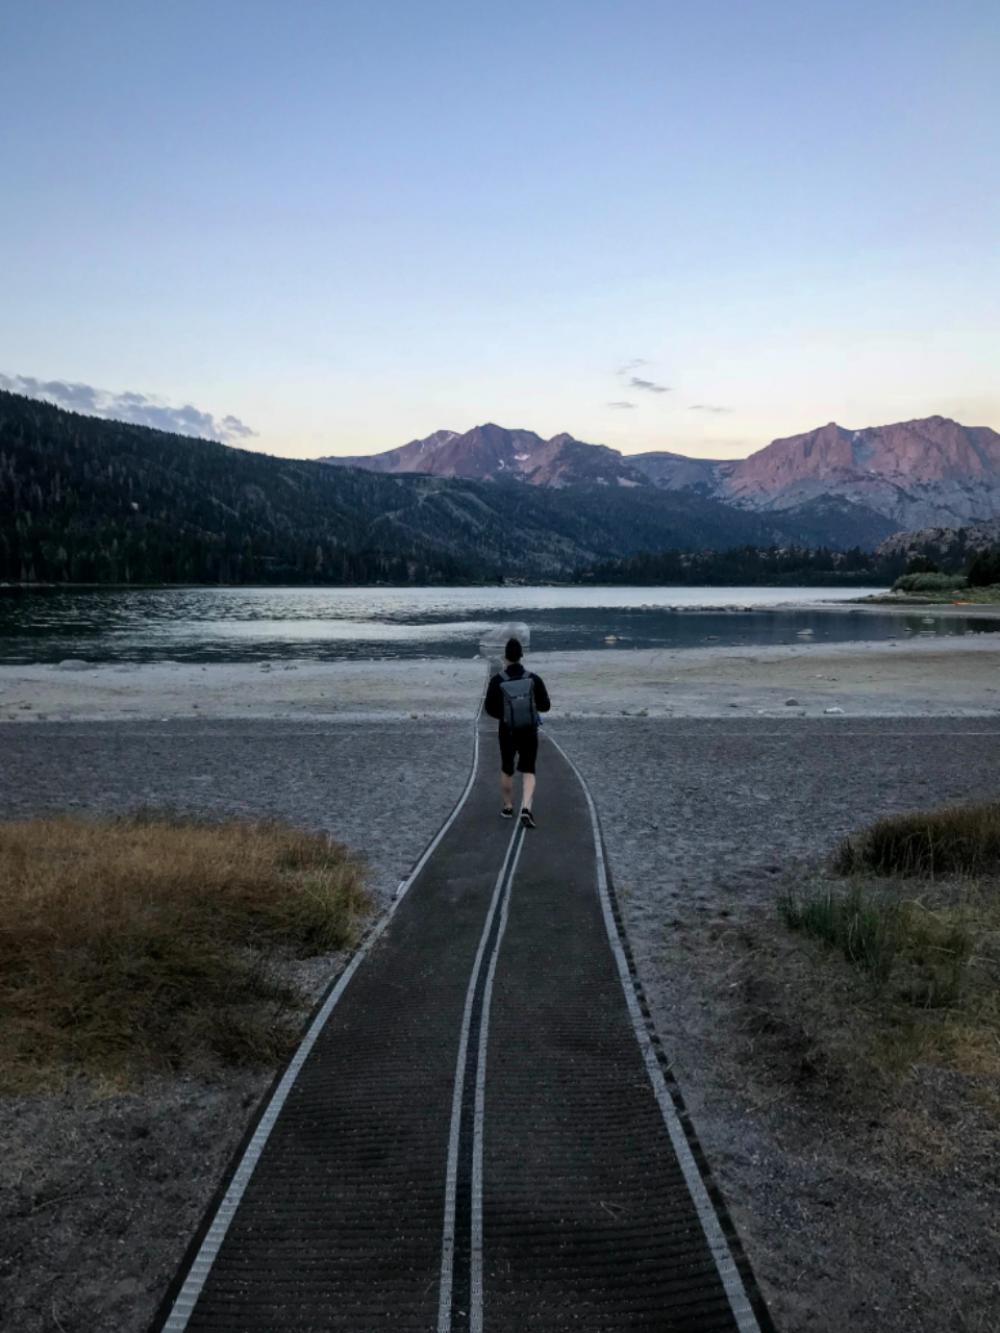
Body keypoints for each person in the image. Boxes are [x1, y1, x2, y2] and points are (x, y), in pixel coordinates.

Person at [484, 637, 551, 828]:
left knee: (507, 767)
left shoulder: (497, 680)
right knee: (529, 769)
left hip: (507, 731)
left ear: (505, 657)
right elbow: (546, 706)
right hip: (529, 730)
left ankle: (508, 807)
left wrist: (505, 715)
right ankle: (526, 808)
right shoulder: (534, 679)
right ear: (521, 656)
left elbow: (489, 708)